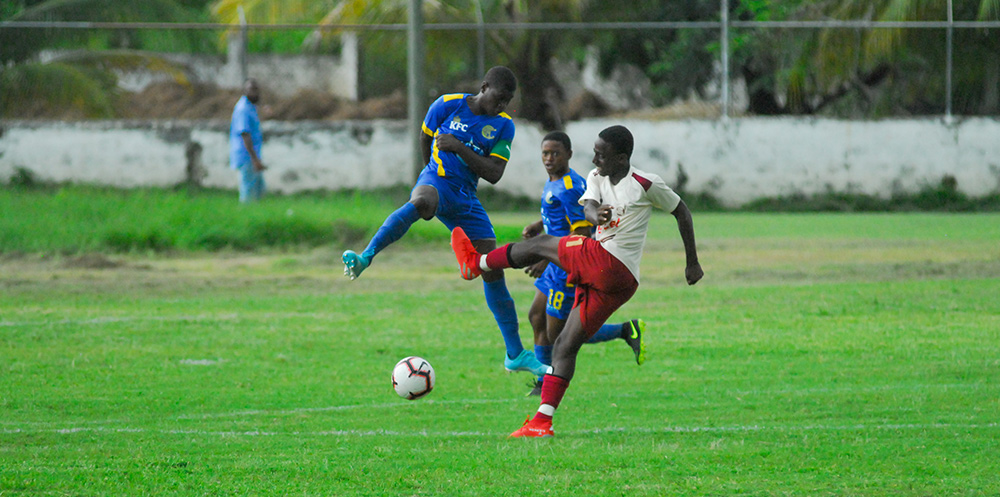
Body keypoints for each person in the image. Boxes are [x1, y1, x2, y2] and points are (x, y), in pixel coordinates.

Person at [450, 125, 703, 437]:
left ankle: (477, 262)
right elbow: (587, 205)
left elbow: (682, 212)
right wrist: (596, 212)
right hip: (620, 283)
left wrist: (692, 262)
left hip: (608, 263)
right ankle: (543, 421)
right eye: (595, 152)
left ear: (622, 158)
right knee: (566, 344)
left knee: (543, 245)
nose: (595, 159)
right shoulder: (596, 178)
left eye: (602, 154)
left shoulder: (645, 183)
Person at [341, 66, 548, 377]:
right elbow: (426, 139)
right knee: (421, 202)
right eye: (498, 98)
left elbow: (493, 173)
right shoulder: (447, 104)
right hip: (436, 180)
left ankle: (515, 353)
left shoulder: (504, 127)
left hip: (467, 198)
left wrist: (459, 148)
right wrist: (432, 173)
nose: (502, 105)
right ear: (483, 87)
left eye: (507, 101)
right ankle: (365, 256)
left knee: (491, 269)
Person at [521, 131, 646, 397]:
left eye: (555, 153)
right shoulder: (553, 181)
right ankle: (542, 378)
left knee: (562, 333)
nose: (549, 158)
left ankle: (625, 330)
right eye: (545, 153)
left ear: (569, 154)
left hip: (564, 264)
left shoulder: (570, 186)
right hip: (552, 259)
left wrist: (544, 258)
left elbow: (581, 231)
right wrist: (540, 224)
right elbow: (561, 217)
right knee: (535, 316)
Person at [229, 78, 266, 203]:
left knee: (259, 190)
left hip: (253, 155)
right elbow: (245, 135)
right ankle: (246, 217)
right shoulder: (243, 109)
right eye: (251, 90)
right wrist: (254, 159)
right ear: (245, 91)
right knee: (248, 191)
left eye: (256, 90)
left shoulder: (251, 107)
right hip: (247, 156)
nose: (254, 93)